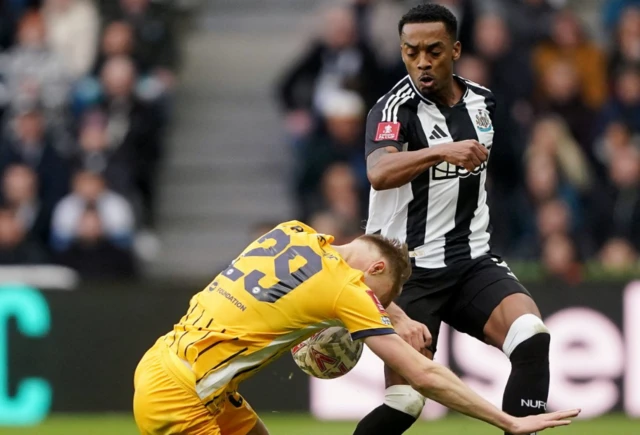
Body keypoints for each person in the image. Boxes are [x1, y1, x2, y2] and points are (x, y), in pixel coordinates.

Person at [133, 220, 579, 435]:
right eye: (385, 295)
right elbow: (423, 375)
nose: (378, 306)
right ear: (377, 268)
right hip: (182, 395)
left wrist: (397, 315)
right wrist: (507, 421)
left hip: (169, 364)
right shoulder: (344, 290)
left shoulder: (293, 233)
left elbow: (324, 288)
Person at [354, 5, 553, 435]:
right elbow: (379, 172)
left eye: (433, 51)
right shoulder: (392, 111)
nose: (422, 62)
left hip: (470, 261)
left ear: (456, 50)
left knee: (532, 336)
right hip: (407, 273)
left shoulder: (484, 101)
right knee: (405, 403)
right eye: (411, 52)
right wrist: (441, 151)